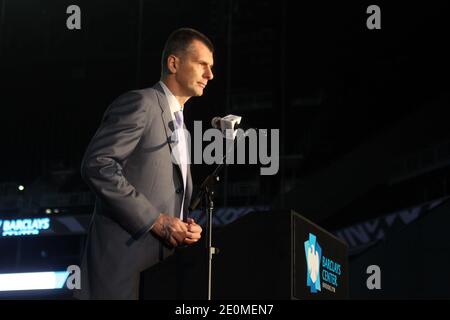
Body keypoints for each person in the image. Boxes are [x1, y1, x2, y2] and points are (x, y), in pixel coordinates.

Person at [73, 28, 214, 300]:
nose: (210, 75)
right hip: (122, 273)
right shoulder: (142, 103)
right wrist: (156, 221)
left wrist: (185, 228)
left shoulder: (182, 130)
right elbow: (98, 164)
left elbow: (168, 198)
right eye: (202, 65)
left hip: (161, 276)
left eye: (211, 67)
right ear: (174, 63)